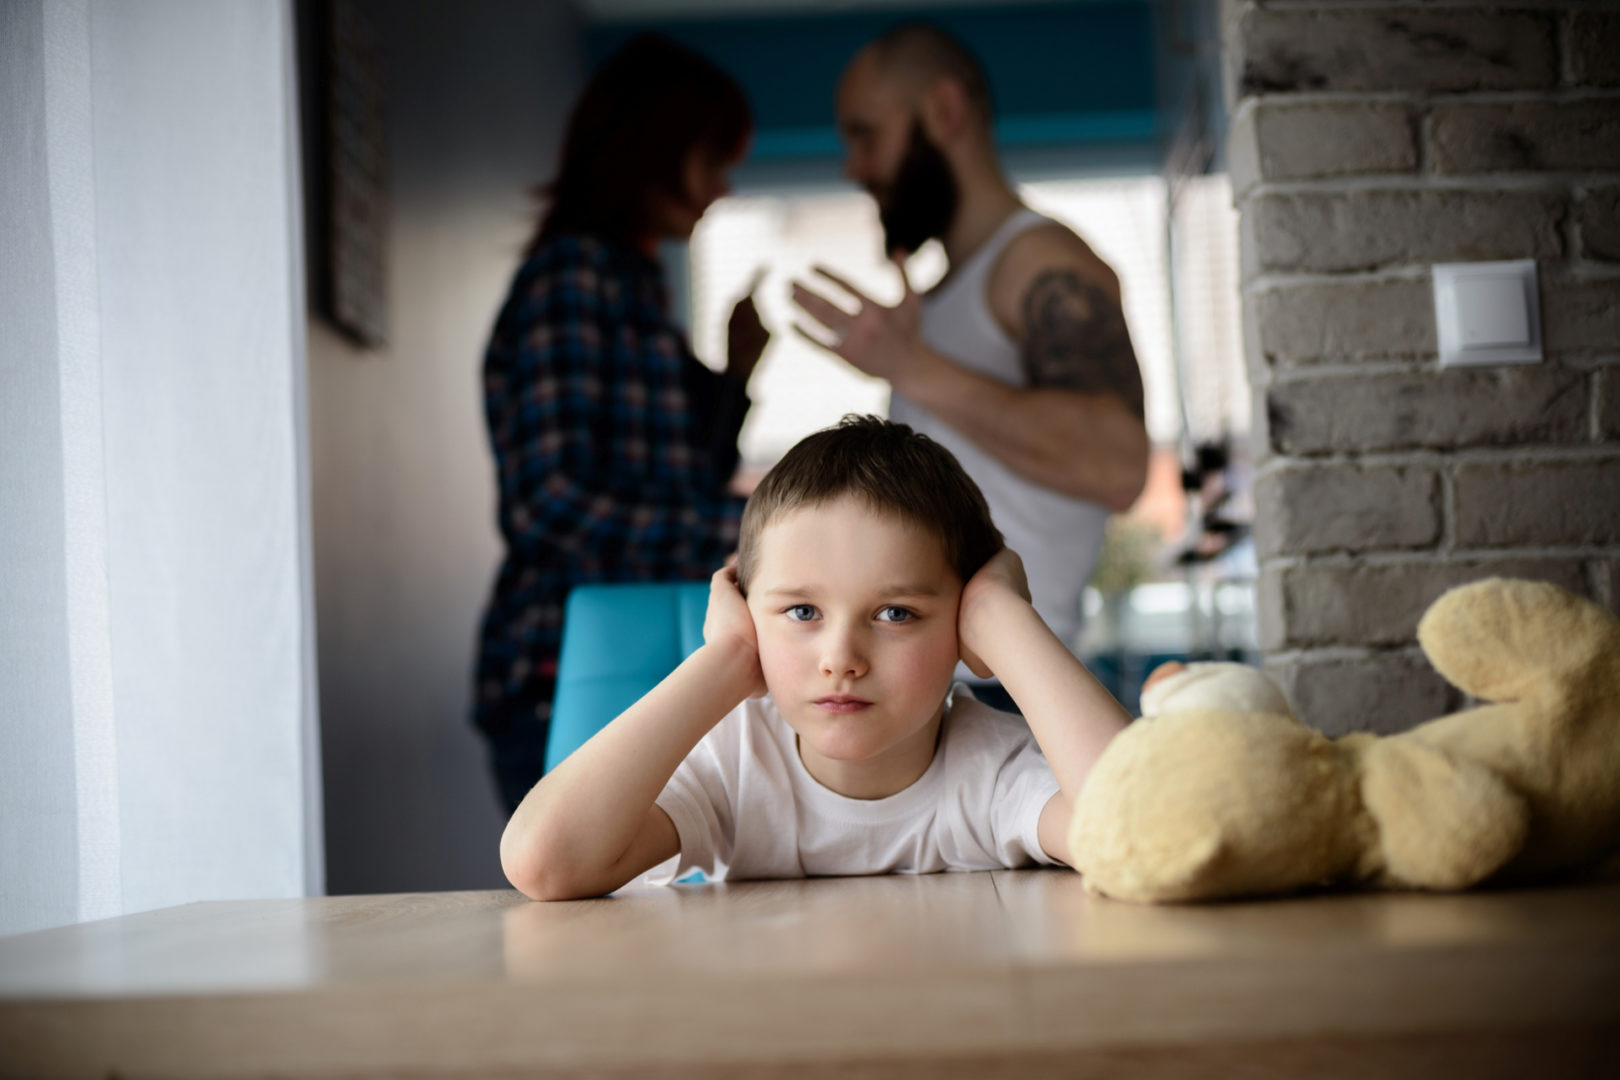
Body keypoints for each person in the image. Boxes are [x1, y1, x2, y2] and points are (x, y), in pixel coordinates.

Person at [500, 416, 1131, 901]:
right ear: (749, 612)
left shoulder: (994, 773)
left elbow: (1146, 828)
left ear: (962, 629)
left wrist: (1004, 621)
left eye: (895, 614)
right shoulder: (734, 767)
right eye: (801, 613)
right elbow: (544, 862)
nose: (841, 659)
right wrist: (725, 658)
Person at [790, 23, 1150, 711]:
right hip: (936, 693)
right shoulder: (939, 293)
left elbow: (1120, 466)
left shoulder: (1043, 263)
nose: (852, 166)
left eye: (865, 134)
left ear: (944, 112)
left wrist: (912, 365)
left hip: (1015, 697)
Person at [473, 34, 770, 815]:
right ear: (654, 152)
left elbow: (675, 483)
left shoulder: (632, 289)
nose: (720, 189)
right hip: (564, 665)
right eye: (712, 160)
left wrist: (736, 376)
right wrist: (756, 529)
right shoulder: (572, 280)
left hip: (632, 650)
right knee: (586, 922)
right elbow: (554, 505)